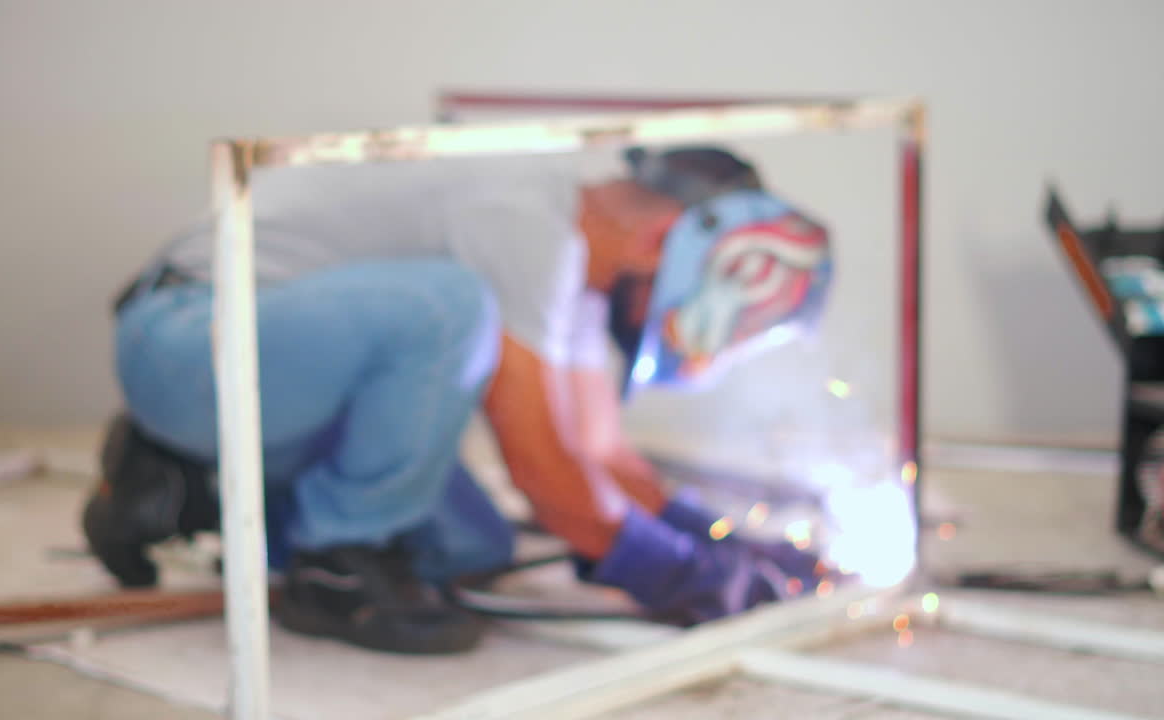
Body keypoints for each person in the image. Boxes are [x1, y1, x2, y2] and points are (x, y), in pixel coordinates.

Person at [83, 144, 832, 654]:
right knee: (450, 307)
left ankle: (185, 486)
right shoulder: (527, 218)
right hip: (188, 345)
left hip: (273, 394)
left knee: (469, 549)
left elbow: (597, 452)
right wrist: (685, 579)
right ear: (666, 240)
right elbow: (547, 475)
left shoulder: (577, 263)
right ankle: (337, 565)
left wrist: (718, 542)